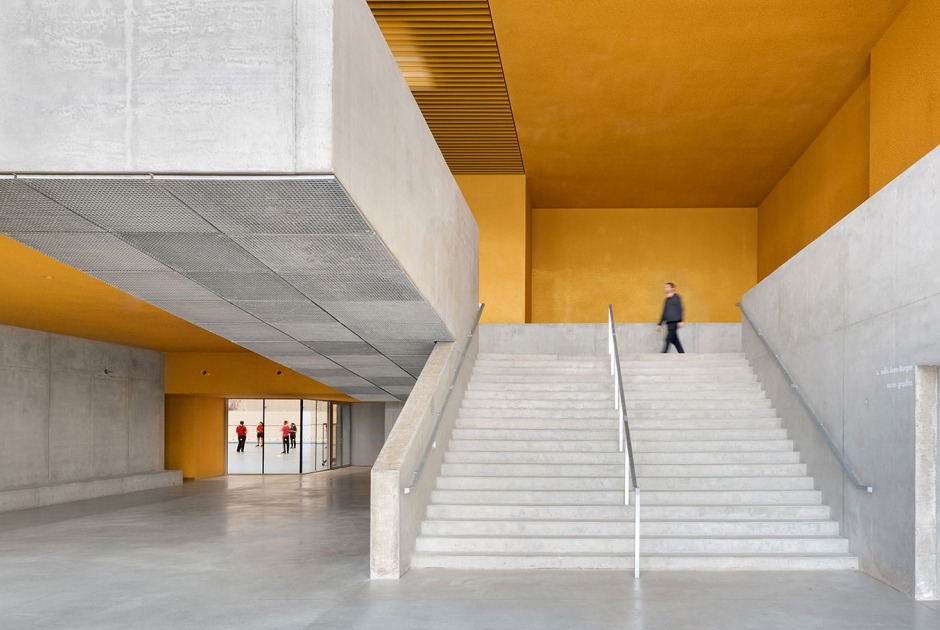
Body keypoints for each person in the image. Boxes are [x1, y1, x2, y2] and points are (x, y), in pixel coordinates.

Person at [656, 282, 685, 353]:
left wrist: (681, 320)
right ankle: (682, 353)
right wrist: (659, 324)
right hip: (669, 323)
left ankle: (663, 354)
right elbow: (664, 313)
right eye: (665, 287)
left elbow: (680, 308)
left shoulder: (676, 297)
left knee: (668, 339)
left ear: (673, 288)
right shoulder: (666, 300)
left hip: (674, 322)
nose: (666, 288)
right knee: (674, 340)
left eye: (668, 287)